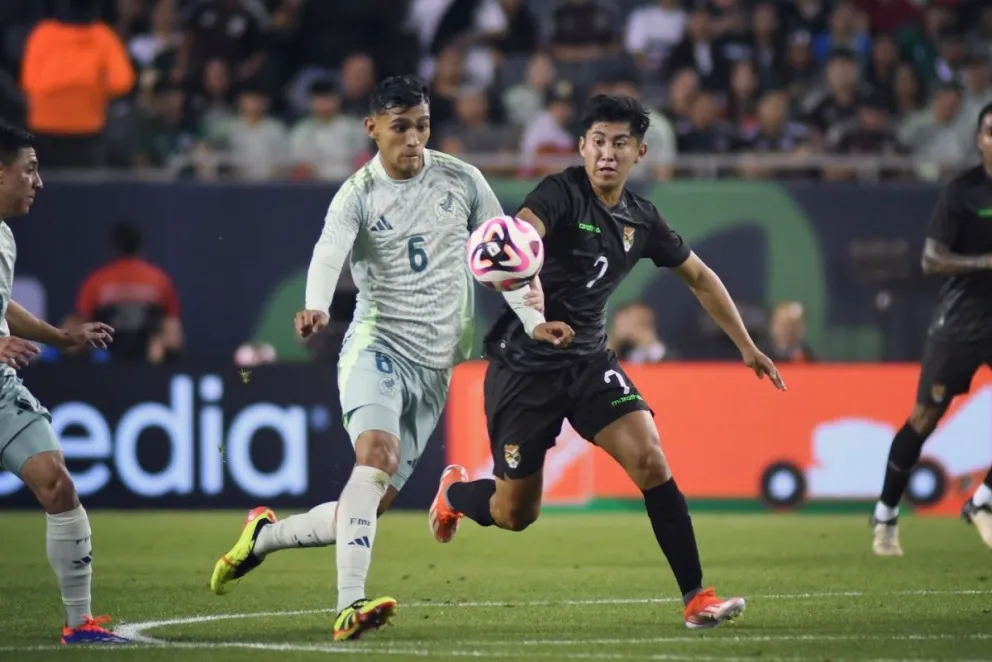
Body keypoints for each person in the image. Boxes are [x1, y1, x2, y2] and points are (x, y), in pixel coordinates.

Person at [208, 75, 554, 640]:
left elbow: (506, 258)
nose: (414, 138)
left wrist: (535, 322)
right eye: (400, 127)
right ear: (372, 129)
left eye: (421, 125)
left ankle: (264, 536)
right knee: (376, 454)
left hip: (437, 364)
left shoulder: (463, 180)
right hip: (379, 344)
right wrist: (316, 305)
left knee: (368, 503)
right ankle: (350, 605)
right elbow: (328, 251)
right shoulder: (358, 193)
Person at [429, 94, 786, 629]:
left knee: (651, 460)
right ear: (581, 146)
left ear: (639, 152)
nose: (607, 153)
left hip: (590, 363)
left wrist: (745, 344)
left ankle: (696, 597)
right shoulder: (560, 193)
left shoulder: (642, 219)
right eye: (598, 141)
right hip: (525, 369)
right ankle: (454, 493)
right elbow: (525, 236)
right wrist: (517, 265)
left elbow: (700, 276)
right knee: (514, 513)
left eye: (620, 143)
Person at [0, 123, 122, 644]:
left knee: (56, 482)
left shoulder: (2, 235)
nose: (39, 182)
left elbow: (2, 306)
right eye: (29, 169)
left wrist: (60, 338)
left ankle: (79, 625)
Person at [870, 102, 992, 557]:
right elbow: (931, 259)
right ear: (979, 140)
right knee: (926, 417)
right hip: (962, 320)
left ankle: (981, 501)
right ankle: (885, 512)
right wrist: (986, 263)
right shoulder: (963, 192)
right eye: (989, 132)